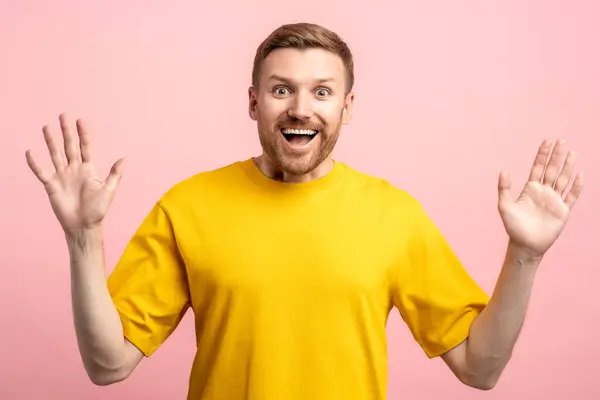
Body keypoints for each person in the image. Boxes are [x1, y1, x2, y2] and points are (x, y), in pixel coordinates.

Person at [26, 22, 584, 400]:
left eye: (321, 92)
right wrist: (83, 239)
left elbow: (479, 368)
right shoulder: (188, 206)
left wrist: (526, 255)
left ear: (347, 107)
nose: (300, 108)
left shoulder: (393, 215)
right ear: (253, 101)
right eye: (280, 89)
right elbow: (108, 365)